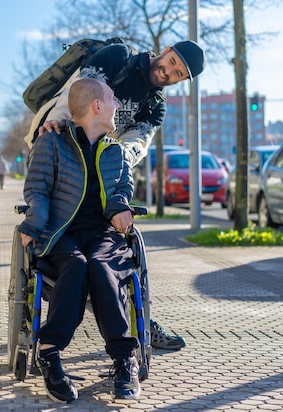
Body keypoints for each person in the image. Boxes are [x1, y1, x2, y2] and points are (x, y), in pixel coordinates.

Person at [31, 39, 206, 351]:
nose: (170, 73)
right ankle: (112, 319)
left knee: (102, 252)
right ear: (165, 50)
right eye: (172, 63)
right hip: (61, 139)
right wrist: (60, 123)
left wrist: (113, 162)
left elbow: (136, 143)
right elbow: (82, 92)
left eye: (178, 74)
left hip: (101, 164)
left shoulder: (156, 106)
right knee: (70, 245)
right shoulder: (118, 57)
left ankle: (133, 318)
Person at [18, 76, 140, 403]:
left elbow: (123, 189)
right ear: (97, 105)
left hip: (102, 233)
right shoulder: (52, 141)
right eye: (113, 99)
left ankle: (123, 360)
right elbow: (38, 189)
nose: (117, 105)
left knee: (101, 266)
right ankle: (50, 353)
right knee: (76, 265)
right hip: (61, 231)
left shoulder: (116, 150)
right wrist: (34, 223)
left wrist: (119, 207)